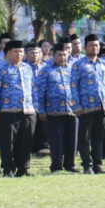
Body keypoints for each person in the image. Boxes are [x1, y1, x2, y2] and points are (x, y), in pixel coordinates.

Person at [0, 41, 37, 177]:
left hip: (27, 110)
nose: (19, 54)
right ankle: (8, 169)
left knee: (26, 141)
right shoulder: (1, 69)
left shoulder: (27, 68)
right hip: (7, 111)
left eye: (21, 51)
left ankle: (23, 168)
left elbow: (33, 89)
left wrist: (35, 107)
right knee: (7, 142)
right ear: (9, 53)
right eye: (16, 51)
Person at [69, 34, 105, 174]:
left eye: (96, 45)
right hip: (85, 108)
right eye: (91, 45)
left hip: (102, 106)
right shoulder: (79, 64)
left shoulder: (104, 64)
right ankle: (87, 165)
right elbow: (72, 86)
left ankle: (98, 164)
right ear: (85, 47)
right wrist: (76, 106)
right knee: (84, 138)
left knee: (99, 138)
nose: (94, 48)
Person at [35, 42, 79, 173]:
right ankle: (56, 165)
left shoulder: (72, 69)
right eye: (60, 55)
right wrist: (41, 110)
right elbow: (39, 92)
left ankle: (70, 164)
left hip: (72, 110)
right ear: (53, 55)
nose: (63, 57)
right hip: (53, 111)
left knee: (72, 140)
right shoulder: (45, 71)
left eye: (65, 55)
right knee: (56, 140)